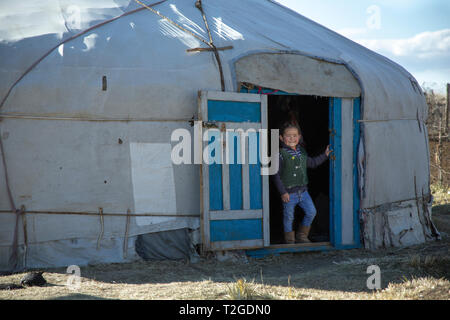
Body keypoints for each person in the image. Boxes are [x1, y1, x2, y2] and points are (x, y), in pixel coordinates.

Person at [272, 123, 332, 244]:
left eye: (294, 135)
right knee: (289, 217)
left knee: (311, 212)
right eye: (288, 136)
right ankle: (289, 240)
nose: (292, 138)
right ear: (281, 138)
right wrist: (283, 192)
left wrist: (325, 155)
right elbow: (275, 175)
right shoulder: (279, 155)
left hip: (303, 192)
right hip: (289, 194)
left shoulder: (302, 153)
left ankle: (301, 235)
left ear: (299, 137)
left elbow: (313, 163)